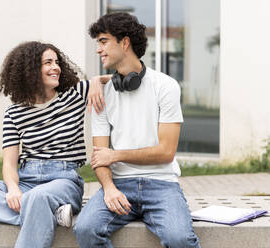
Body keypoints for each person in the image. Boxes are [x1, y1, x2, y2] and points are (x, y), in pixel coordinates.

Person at [0, 41, 109, 248]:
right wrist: (13, 189)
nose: (56, 67)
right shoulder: (14, 113)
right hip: (27, 181)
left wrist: (98, 80)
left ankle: (40, 209)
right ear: (31, 70)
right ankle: (49, 213)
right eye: (48, 63)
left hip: (64, 181)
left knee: (38, 197)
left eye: (56, 62)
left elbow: (125, 77)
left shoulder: (76, 94)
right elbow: (9, 164)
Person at [74, 12, 201, 248]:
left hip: (162, 184)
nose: (98, 49)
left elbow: (166, 153)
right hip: (119, 184)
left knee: (179, 239)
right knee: (85, 229)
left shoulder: (166, 86)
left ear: (124, 42)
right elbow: (100, 157)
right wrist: (109, 189)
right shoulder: (102, 93)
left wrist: (117, 155)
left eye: (103, 41)